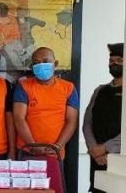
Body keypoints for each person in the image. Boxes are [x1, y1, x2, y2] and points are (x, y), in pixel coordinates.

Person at [13, 47, 79, 158]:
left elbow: (71, 121)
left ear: (55, 64)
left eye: (45, 61)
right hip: (27, 150)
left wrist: (58, 145)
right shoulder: (23, 86)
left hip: (55, 152)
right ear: (32, 67)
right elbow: (19, 118)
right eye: (36, 63)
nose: (41, 65)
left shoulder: (68, 88)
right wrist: (33, 145)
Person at [83, 42, 123, 193]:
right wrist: (94, 149)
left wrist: (106, 148)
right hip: (97, 159)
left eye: (120, 60)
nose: (114, 64)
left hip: (119, 159)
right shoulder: (100, 90)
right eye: (111, 61)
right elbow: (87, 123)